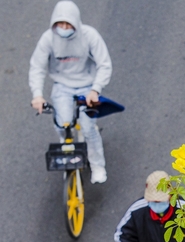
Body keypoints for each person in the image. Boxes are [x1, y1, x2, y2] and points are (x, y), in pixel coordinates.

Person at [29, 0, 112, 184]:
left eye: (68, 24)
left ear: (76, 22)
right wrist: (37, 94)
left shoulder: (90, 35)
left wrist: (95, 89)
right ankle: (68, 147)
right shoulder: (48, 39)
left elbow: (104, 64)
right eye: (60, 24)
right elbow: (37, 67)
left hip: (87, 85)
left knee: (88, 128)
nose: (64, 28)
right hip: (62, 86)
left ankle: (97, 165)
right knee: (62, 124)